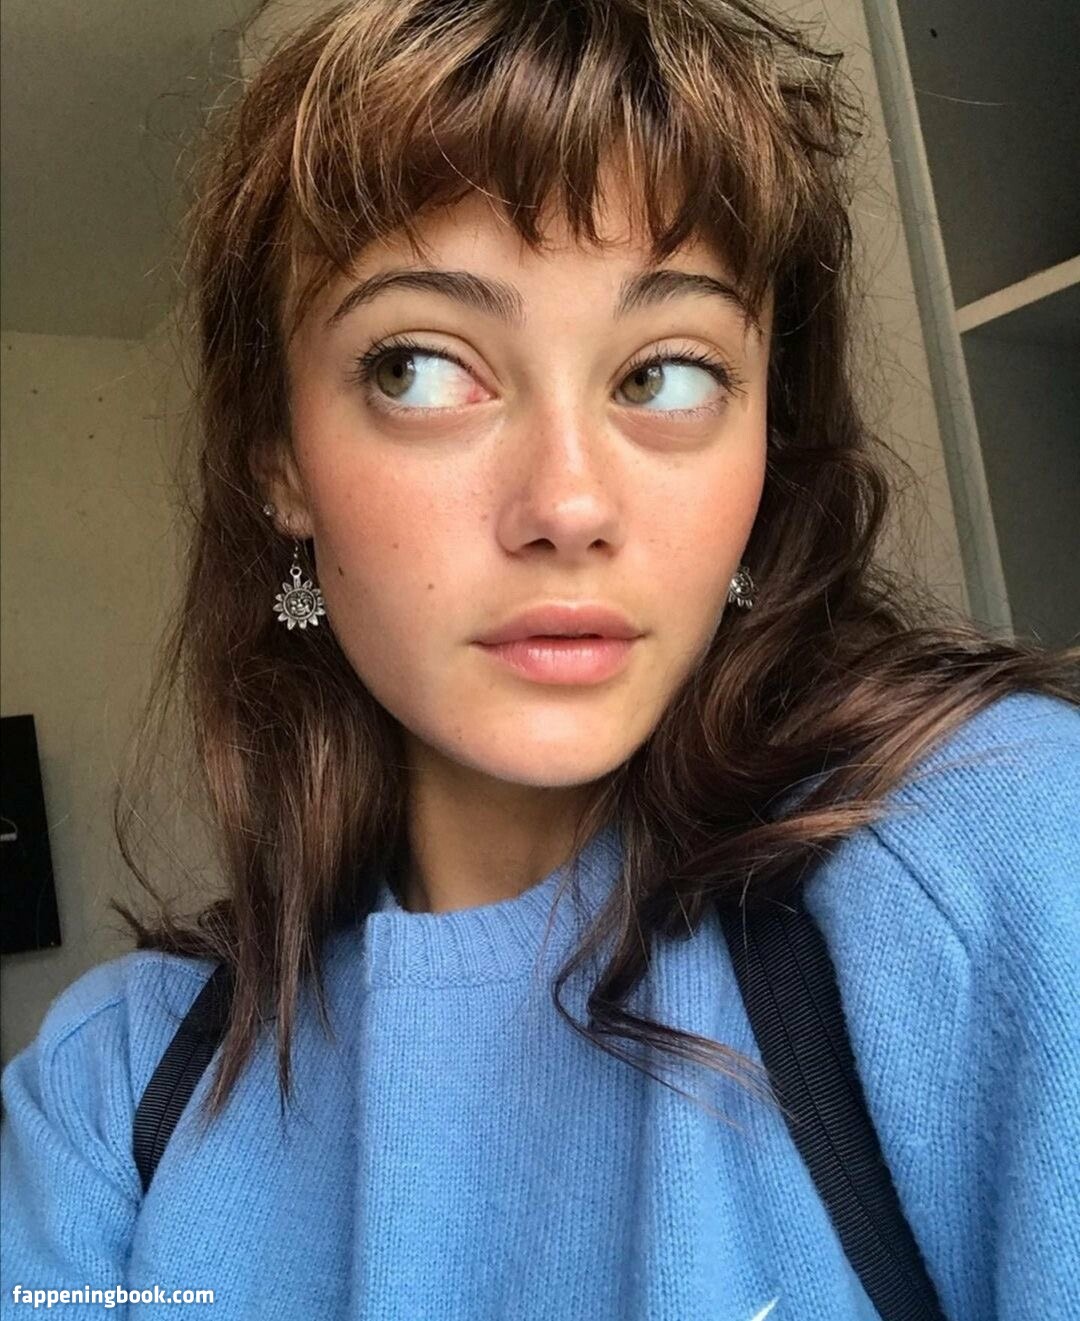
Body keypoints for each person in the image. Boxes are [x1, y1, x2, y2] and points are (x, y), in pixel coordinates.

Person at [2, 1, 1077, 1317]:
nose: (569, 504)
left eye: (667, 375)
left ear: (765, 441)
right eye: (418, 367)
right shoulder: (113, 1093)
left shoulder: (996, 857)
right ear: (276, 458)